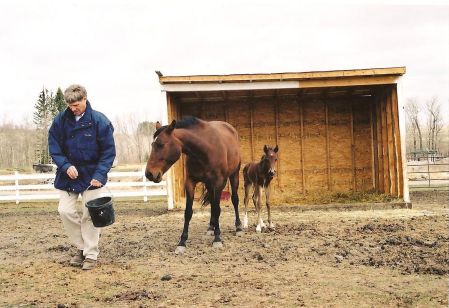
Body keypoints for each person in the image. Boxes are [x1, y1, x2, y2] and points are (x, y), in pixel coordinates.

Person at [48, 84, 116, 270]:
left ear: (85, 99)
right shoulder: (60, 121)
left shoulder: (100, 121)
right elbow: (53, 147)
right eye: (70, 105)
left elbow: (108, 152)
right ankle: (82, 248)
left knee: (90, 216)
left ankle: (91, 255)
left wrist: (100, 175)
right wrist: (65, 165)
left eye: (76, 104)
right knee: (65, 211)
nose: (73, 108)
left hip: (93, 175)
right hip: (68, 175)